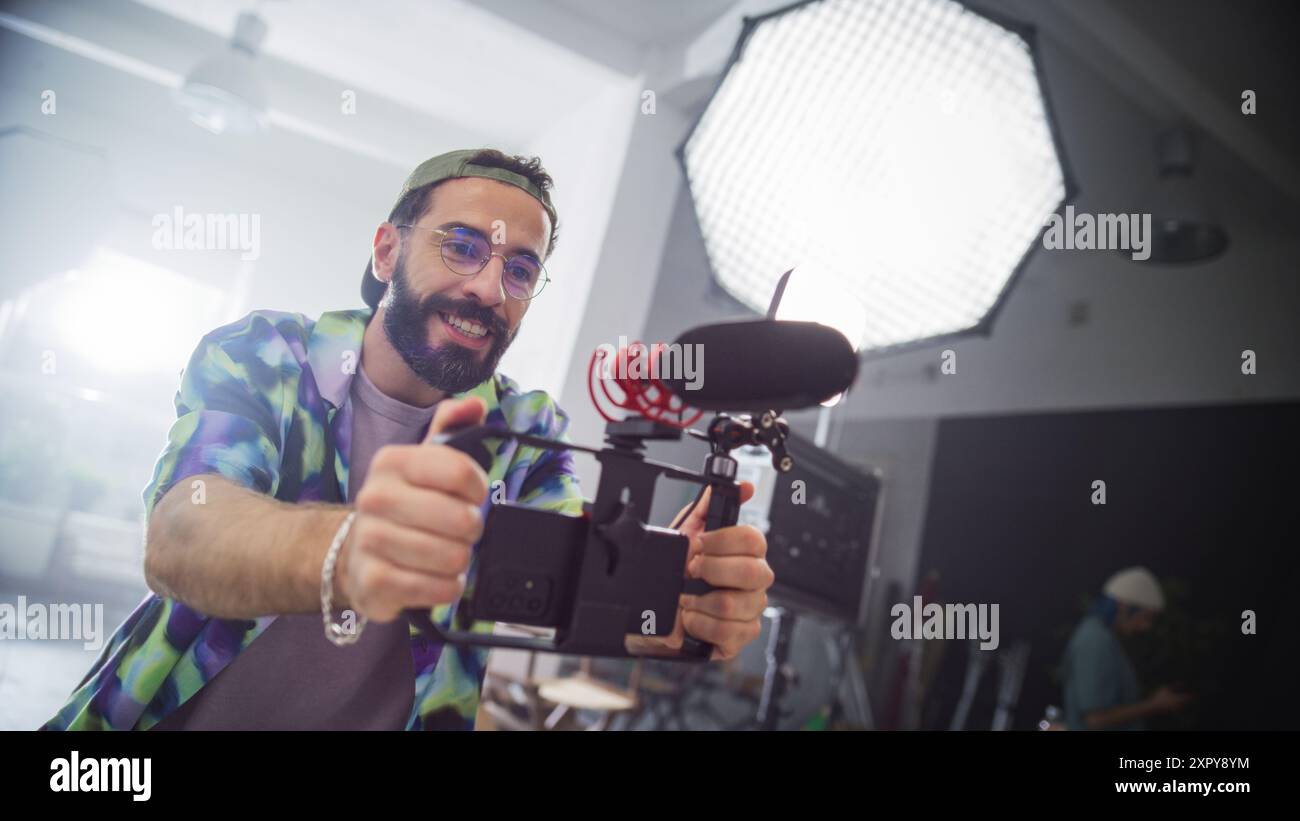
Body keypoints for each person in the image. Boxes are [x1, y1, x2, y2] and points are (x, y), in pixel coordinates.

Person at [44, 148, 773, 731]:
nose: (491, 287)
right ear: (387, 251)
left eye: (521, 269)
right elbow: (182, 534)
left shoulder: (526, 431)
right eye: (462, 247)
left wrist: (659, 604)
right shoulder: (265, 352)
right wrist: (351, 552)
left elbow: (565, 583)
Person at [1060, 566, 1194, 730]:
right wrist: (1155, 705)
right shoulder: (1095, 640)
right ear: (1124, 607)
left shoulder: (1106, 639)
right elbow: (1096, 720)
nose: (1146, 627)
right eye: (1146, 617)